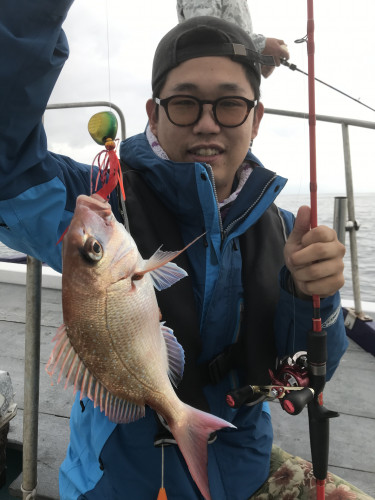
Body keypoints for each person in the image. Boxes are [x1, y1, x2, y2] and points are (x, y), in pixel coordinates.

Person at [1, 2, 367, 499]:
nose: (208, 124)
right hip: (122, 483)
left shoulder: (280, 230)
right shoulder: (98, 204)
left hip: (242, 468)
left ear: (256, 119)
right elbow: (8, 165)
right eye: (185, 103)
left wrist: (312, 297)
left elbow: (296, 373)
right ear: (154, 113)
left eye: (230, 104)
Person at [176, 0, 290, 77]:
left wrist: (256, 59)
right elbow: (204, 32)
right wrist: (260, 46)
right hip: (210, 82)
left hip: (230, 81)